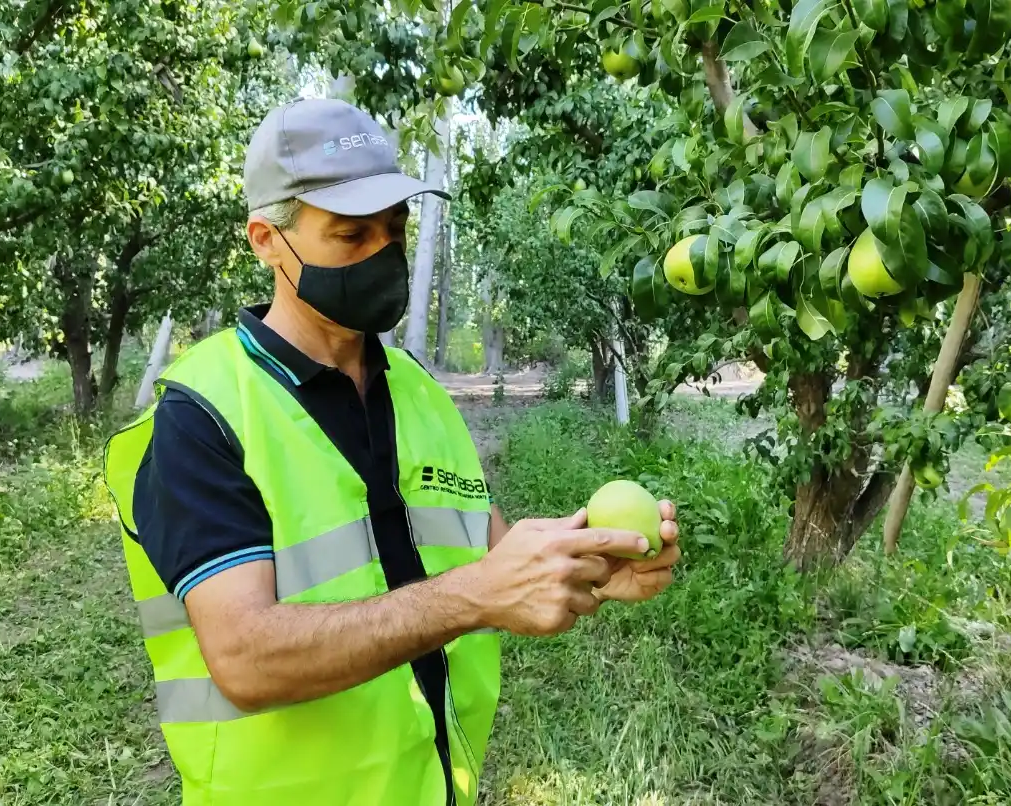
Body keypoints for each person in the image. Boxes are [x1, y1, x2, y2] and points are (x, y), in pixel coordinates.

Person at [102, 97, 681, 806]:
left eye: (395, 229)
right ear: (266, 240)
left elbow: (493, 562)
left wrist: (589, 563)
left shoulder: (415, 389)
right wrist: (474, 597)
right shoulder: (203, 415)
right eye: (351, 235)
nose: (383, 253)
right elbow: (245, 658)